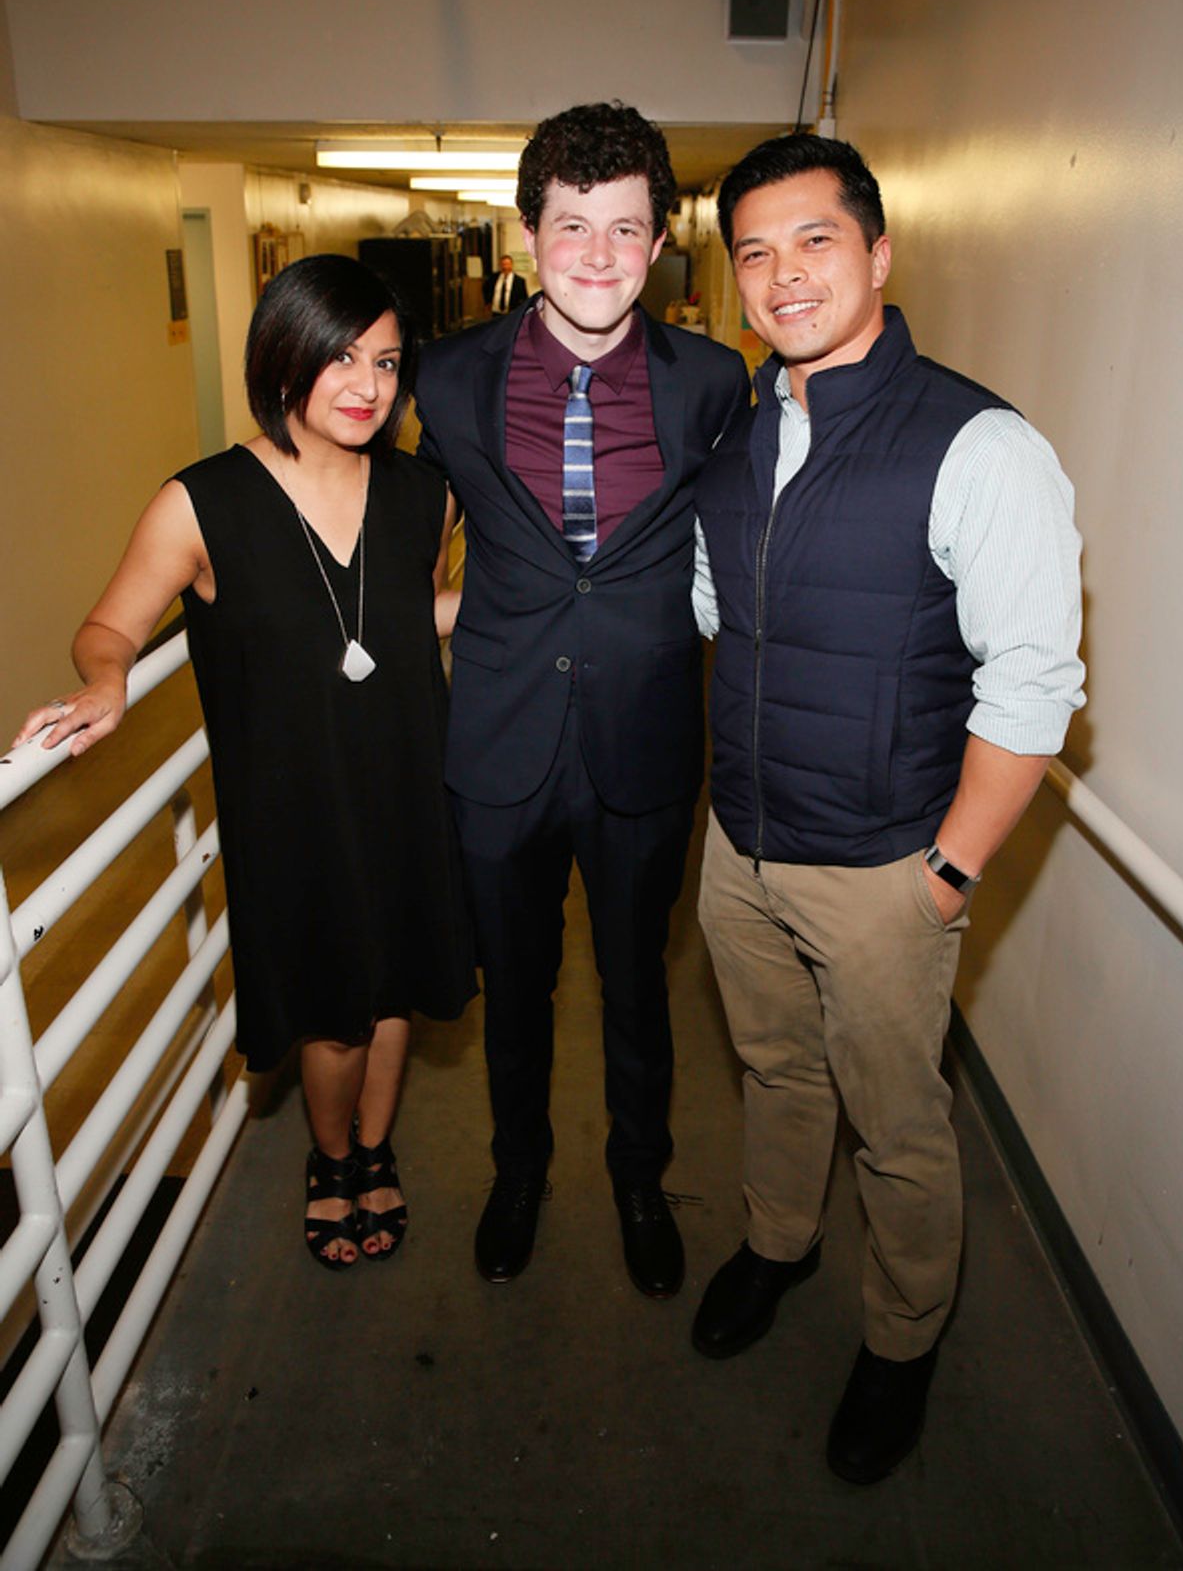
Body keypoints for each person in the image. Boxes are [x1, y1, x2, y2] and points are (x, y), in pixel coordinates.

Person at [690, 133, 1084, 1481]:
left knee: (899, 1126)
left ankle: (903, 1342)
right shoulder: (744, 426)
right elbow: (714, 610)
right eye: (755, 250)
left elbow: (1032, 687)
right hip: (739, 843)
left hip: (883, 865)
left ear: (876, 252)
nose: (784, 274)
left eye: (814, 241)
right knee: (775, 1070)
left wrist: (951, 873)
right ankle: (778, 1245)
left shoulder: (978, 442)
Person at [13, 255, 476, 1272]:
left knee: (395, 989)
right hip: (292, 806)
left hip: (407, 782)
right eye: (342, 358)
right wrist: (106, 682)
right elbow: (108, 626)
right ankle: (330, 1162)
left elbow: (403, 621)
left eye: (389, 364)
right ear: (285, 361)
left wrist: (503, 615)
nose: (367, 385)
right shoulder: (202, 502)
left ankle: (374, 1148)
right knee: (330, 1007)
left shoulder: (424, 497)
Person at [415, 101, 747, 1297]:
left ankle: (641, 1182)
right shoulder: (449, 381)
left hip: (645, 745)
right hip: (497, 740)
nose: (598, 257)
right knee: (517, 987)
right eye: (571, 226)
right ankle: (519, 1174)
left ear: (660, 243)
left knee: (634, 984)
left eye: (625, 229)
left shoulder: (714, 384)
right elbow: (398, 537)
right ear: (526, 235)